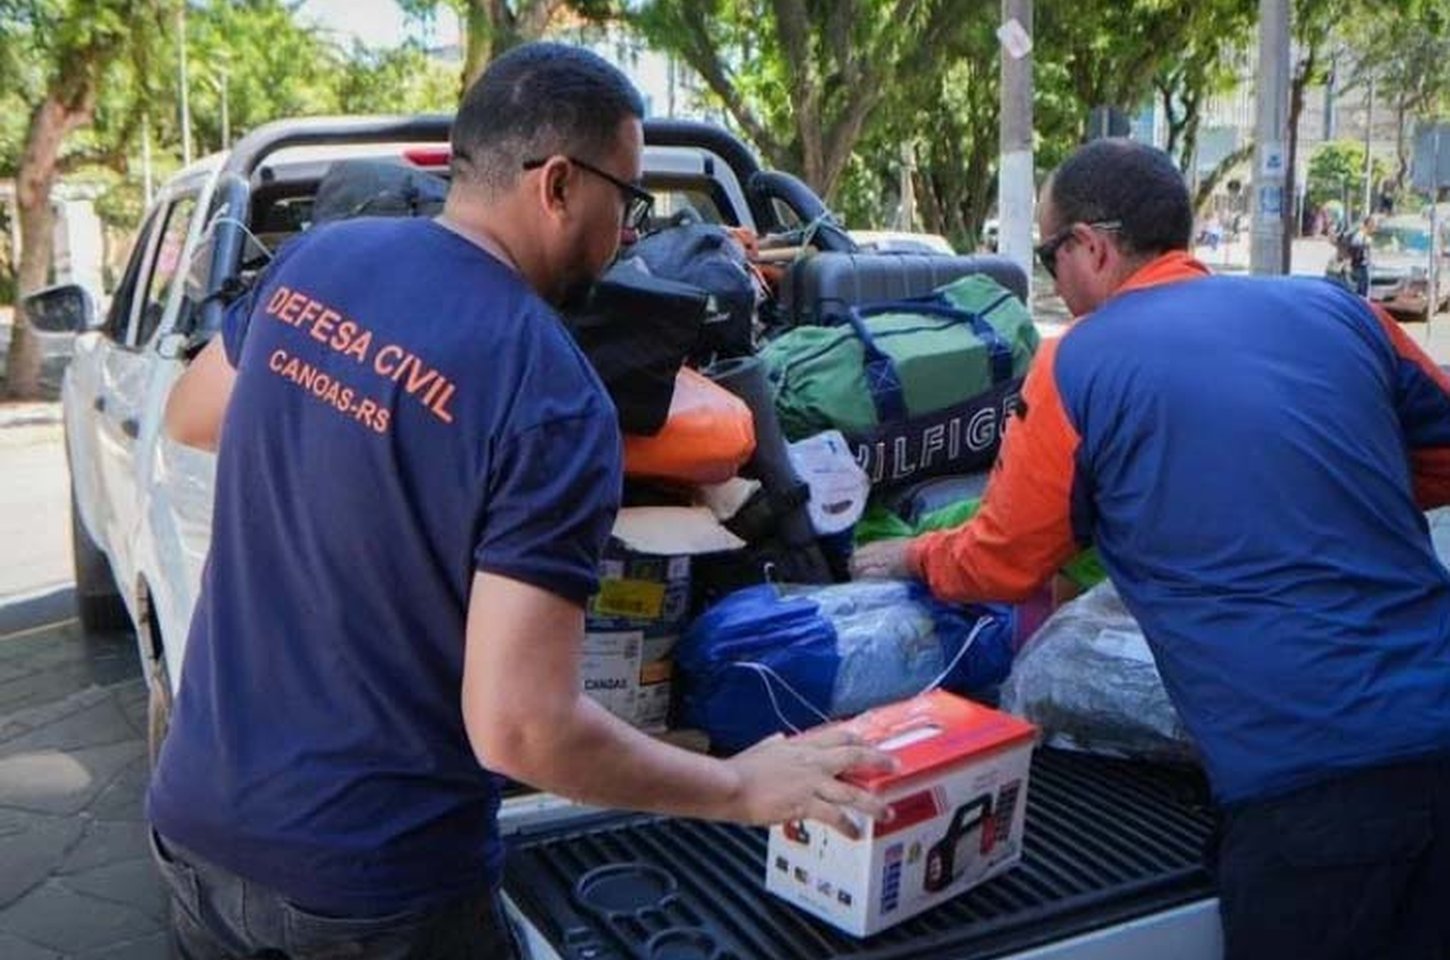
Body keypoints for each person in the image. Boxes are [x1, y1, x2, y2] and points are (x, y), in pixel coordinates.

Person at [150, 43, 892, 960]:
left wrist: (359, 446)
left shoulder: (320, 262)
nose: (627, 233)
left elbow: (193, 413)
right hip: (376, 886)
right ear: (557, 186)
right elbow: (522, 729)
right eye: (626, 201)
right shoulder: (548, 388)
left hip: (197, 826)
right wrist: (739, 787)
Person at [852, 138, 1450, 959]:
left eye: (1048, 254)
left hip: (1309, 790)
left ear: (1091, 246)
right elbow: (1440, 453)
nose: (1053, 278)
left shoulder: (1078, 364)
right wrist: (1325, 493)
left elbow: (1002, 560)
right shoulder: (1339, 310)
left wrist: (915, 556)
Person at [1345, 214, 1375, 296]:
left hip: (1359, 265)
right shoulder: (1362, 235)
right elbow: (1357, 248)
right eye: (1372, 223)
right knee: (1362, 290)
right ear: (1368, 224)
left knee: (1361, 288)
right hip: (1361, 265)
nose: (1374, 225)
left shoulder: (1362, 234)